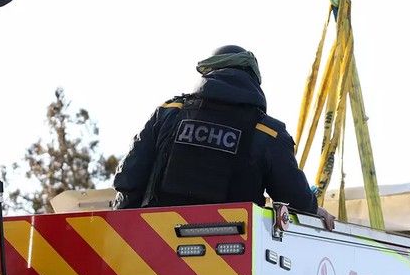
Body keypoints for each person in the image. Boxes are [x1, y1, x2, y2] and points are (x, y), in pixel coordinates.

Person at [113, 45, 336, 229]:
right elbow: (293, 198)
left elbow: (129, 179)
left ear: (210, 72)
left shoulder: (169, 113)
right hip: (233, 251)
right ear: (252, 79)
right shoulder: (266, 132)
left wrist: (124, 229)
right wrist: (313, 208)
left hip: (154, 245)